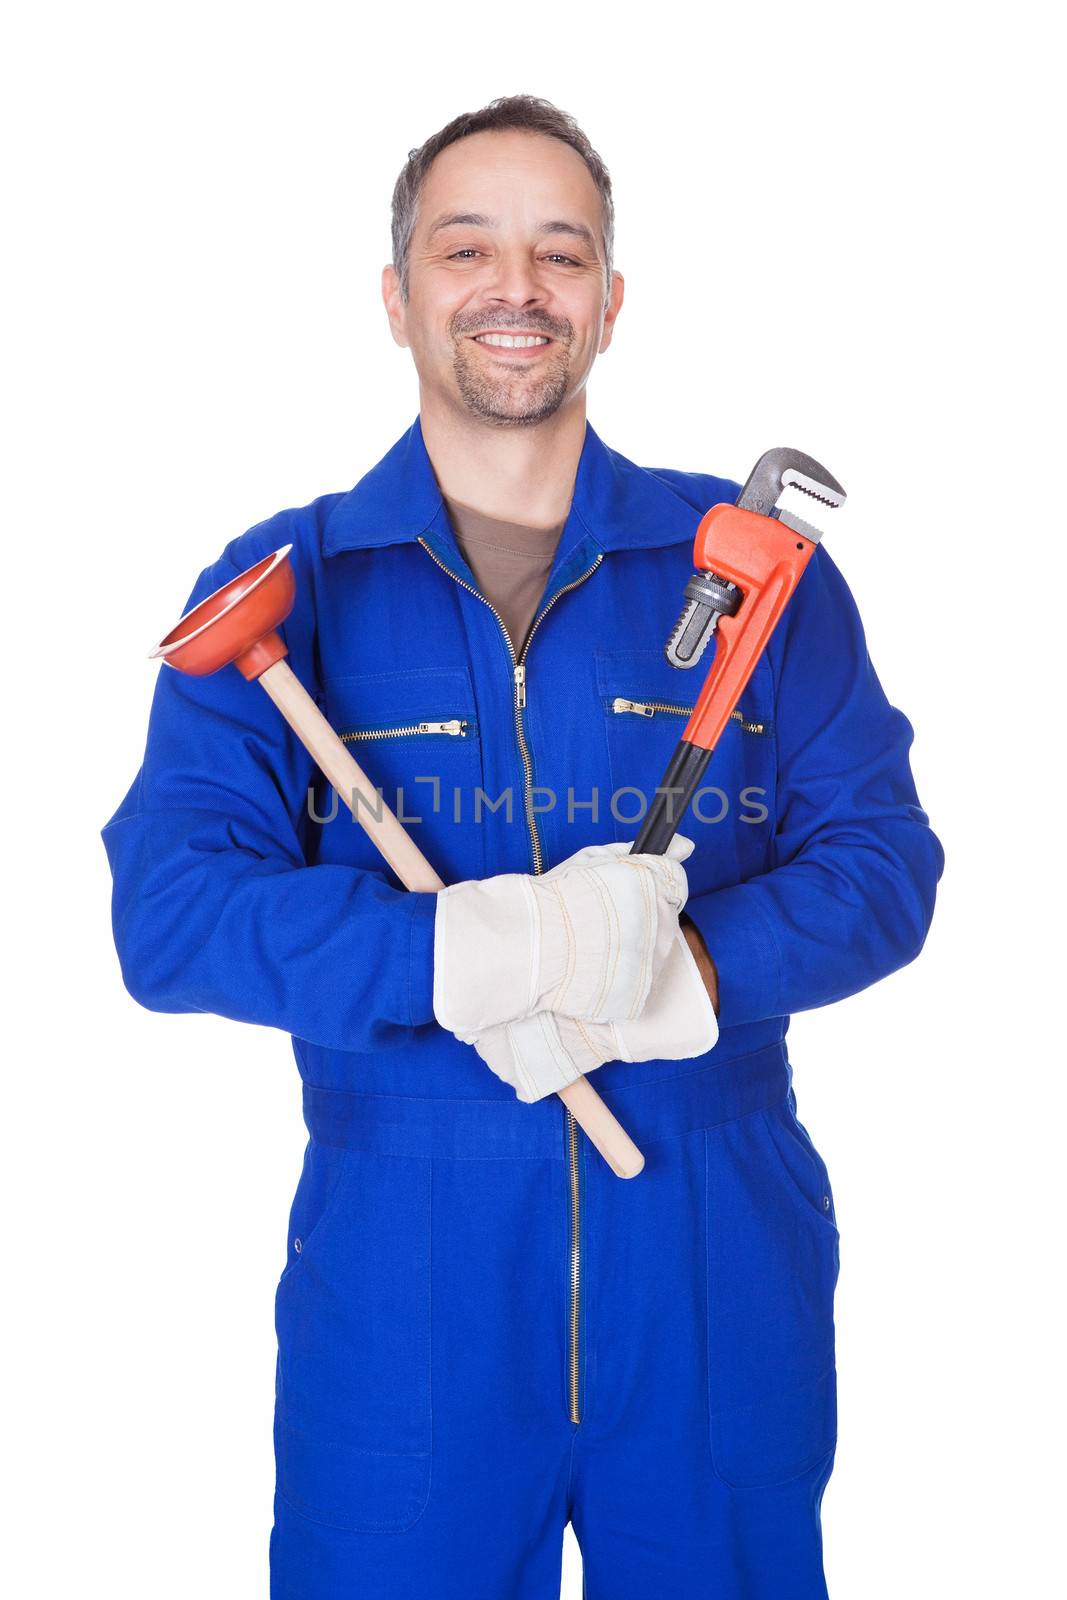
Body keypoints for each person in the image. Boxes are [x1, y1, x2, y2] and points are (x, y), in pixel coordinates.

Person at [102, 94, 944, 1599]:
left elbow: (883, 862)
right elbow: (171, 916)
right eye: (466, 247)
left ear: (610, 302)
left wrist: (690, 964)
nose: (516, 289)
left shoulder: (752, 580)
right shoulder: (283, 585)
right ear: (397, 294)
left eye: (561, 255)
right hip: (403, 1290)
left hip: (711, 1256)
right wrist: (465, 951)